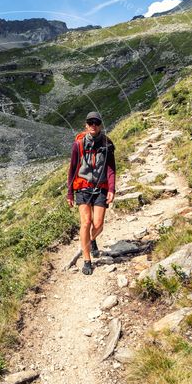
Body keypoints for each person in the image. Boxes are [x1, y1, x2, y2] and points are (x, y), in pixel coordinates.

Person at [67, 111, 116, 275]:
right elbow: (72, 169)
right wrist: (70, 193)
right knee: (86, 222)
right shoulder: (78, 145)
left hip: (101, 187)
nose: (93, 125)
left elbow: (111, 169)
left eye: (96, 122)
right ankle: (87, 260)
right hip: (82, 186)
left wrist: (111, 189)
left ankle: (92, 239)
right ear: (85, 125)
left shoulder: (107, 145)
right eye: (90, 123)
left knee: (98, 224)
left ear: (100, 124)